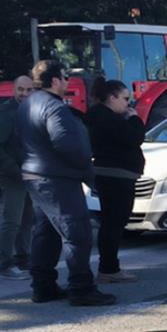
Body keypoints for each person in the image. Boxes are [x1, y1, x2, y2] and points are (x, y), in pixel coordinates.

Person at [18, 60, 115, 305]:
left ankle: (43, 286)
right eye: (64, 77)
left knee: (46, 232)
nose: (67, 82)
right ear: (54, 81)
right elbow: (68, 145)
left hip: (35, 176)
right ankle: (81, 289)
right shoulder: (55, 107)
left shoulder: (28, 103)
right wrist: (86, 171)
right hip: (57, 178)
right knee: (77, 233)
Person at [84, 78, 145, 284]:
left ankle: (109, 267)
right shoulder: (107, 118)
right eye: (125, 99)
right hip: (117, 175)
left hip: (111, 173)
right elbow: (134, 138)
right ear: (112, 98)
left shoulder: (100, 116)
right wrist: (134, 119)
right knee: (115, 222)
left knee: (112, 222)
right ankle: (109, 268)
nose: (128, 104)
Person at [0, 75, 34, 279]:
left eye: (29, 90)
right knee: (12, 220)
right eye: (21, 89)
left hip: (30, 174)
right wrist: (13, 169)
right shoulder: (6, 113)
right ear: (14, 89)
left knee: (27, 219)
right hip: (13, 176)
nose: (24, 94)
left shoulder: (32, 111)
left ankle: (23, 258)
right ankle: (5, 263)